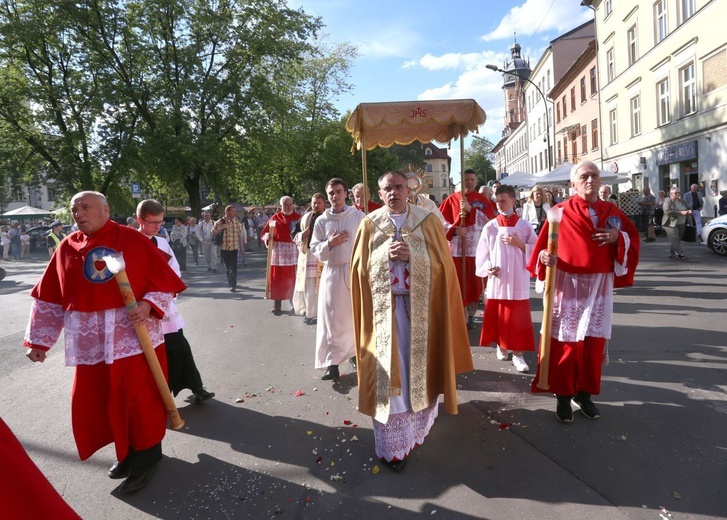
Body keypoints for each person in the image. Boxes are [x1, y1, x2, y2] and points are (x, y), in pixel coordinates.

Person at [23, 191, 186, 493]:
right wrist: (39, 341)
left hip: (134, 339)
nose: (79, 214)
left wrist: (148, 305)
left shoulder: (132, 240)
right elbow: (49, 297)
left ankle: (146, 457)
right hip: (92, 343)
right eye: (74, 210)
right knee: (102, 398)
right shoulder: (68, 248)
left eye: (85, 207)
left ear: (105, 209)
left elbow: (164, 282)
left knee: (137, 398)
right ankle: (125, 451)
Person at [350, 170, 474, 472]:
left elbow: (444, 268)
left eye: (399, 187)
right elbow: (357, 272)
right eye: (387, 188)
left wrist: (413, 256)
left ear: (409, 190)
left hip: (421, 313)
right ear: (379, 194)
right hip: (384, 316)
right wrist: (383, 258)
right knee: (388, 376)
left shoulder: (427, 220)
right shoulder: (369, 224)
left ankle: (416, 427)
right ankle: (393, 445)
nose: (394, 193)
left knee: (416, 372)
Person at [528, 161, 640, 423]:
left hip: (599, 286)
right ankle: (564, 396)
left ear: (601, 182)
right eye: (585, 176)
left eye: (595, 176)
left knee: (592, 343)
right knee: (567, 343)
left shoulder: (610, 210)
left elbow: (631, 238)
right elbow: (541, 250)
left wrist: (617, 238)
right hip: (569, 286)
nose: (591, 180)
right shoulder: (559, 211)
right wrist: (544, 257)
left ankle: (585, 394)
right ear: (573, 184)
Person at [137, 200, 214, 405]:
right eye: (153, 222)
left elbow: (174, 269)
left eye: (160, 222)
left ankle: (196, 387)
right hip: (144, 309)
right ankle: (160, 396)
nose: (157, 226)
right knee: (154, 355)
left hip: (164, 306)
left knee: (179, 346)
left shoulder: (162, 242)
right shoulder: (131, 243)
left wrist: (168, 293)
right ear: (140, 220)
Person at [475, 185, 537, 372]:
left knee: (517, 318)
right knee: (501, 315)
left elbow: (537, 252)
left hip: (518, 279)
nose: (499, 204)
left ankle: (518, 354)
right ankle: (502, 345)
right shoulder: (491, 226)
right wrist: (488, 268)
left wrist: (520, 244)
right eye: (497, 201)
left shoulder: (524, 226)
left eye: (503, 200)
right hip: (499, 279)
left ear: (513, 200)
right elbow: (482, 254)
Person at [310, 179, 364, 380]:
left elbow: (368, 242)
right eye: (331, 193)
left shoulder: (358, 216)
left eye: (339, 191)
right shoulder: (322, 221)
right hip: (332, 273)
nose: (335, 196)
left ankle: (355, 354)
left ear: (346, 194)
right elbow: (314, 248)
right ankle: (331, 364)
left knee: (353, 317)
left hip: (353, 271)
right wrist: (329, 244)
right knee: (331, 319)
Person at [439, 169, 496, 329]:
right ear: (461, 182)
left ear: (476, 181)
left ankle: (471, 314)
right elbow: (439, 221)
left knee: (474, 284)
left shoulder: (482, 200)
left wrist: (472, 211)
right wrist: (454, 230)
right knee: (458, 283)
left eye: (472, 179)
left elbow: (490, 223)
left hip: (476, 249)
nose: (469, 182)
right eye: (466, 180)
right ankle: (460, 314)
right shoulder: (451, 200)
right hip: (457, 249)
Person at [261, 196, 301, 314]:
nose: (288, 207)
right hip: (279, 252)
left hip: (294, 251)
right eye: (285, 205)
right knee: (278, 278)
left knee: (294, 278)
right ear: (280, 206)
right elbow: (265, 233)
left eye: (290, 204)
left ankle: (295, 303)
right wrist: (267, 237)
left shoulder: (299, 218)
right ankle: (277, 305)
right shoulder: (274, 218)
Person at [292, 193, 325, 325]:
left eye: (318, 203)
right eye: (313, 203)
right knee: (310, 287)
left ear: (324, 204)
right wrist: (302, 234)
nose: (316, 205)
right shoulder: (306, 217)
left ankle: (322, 313)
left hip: (323, 255)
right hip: (309, 255)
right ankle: (310, 313)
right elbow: (293, 234)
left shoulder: (328, 217)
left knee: (322, 286)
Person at [213, 205, 245, 292]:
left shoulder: (237, 222)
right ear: (227, 212)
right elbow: (212, 233)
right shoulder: (219, 222)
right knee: (228, 268)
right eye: (233, 211)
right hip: (224, 249)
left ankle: (232, 285)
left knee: (233, 267)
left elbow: (240, 235)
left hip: (234, 248)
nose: (235, 213)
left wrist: (242, 247)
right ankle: (230, 282)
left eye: (235, 211)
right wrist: (220, 228)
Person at [663, 186, 692, 261]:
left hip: (682, 223)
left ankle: (672, 253)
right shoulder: (668, 201)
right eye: (676, 193)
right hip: (670, 224)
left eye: (679, 192)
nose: (678, 194)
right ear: (671, 194)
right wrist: (680, 212)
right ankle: (680, 255)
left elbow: (689, 208)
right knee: (675, 238)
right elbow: (667, 211)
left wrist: (689, 211)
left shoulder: (682, 201)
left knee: (677, 239)